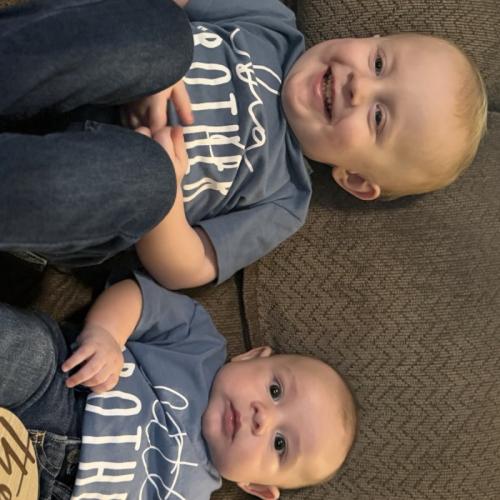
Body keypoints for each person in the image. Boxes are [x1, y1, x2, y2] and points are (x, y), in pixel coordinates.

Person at [0, 0, 487, 289]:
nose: (359, 85)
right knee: (164, 38)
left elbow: (188, 267)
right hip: (80, 68)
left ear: (356, 178)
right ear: (368, 37)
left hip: (90, 191)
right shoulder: (271, 23)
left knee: (148, 179)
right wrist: (153, 70)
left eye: (379, 117)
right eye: (379, 63)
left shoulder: (284, 199)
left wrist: (169, 194)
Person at [0, 271, 358, 500]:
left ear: (257, 486)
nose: (262, 417)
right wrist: (106, 333)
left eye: (280, 444)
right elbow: (137, 299)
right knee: (26, 348)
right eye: (275, 391)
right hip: (63, 388)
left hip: (40, 490)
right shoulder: (198, 341)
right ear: (252, 356)